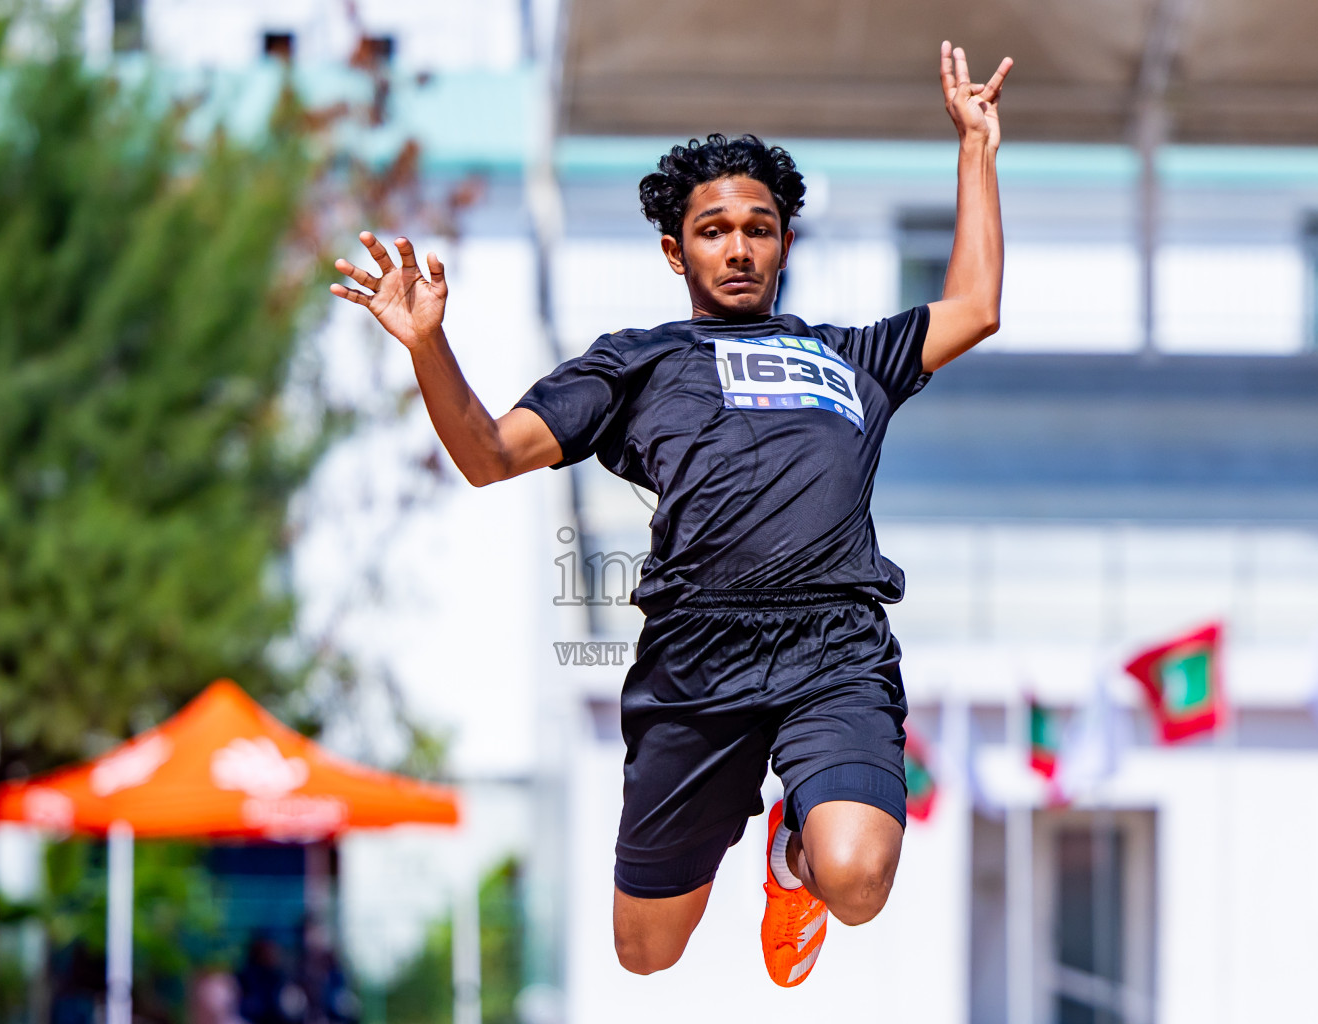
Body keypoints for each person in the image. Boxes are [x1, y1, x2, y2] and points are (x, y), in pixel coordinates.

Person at [331, 41, 1010, 987]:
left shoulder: (852, 355)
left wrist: (976, 146)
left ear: (784, 243)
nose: (739, 248)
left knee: (855, 878)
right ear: (674, 249)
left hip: (835, 646)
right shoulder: (635, 364)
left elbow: (974, 306)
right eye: (715, 230)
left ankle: (795, 860)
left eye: (761, 229)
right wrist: (429, 347)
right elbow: (487, 457)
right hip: (697, 659)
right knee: (645, 954)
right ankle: (751, 826)